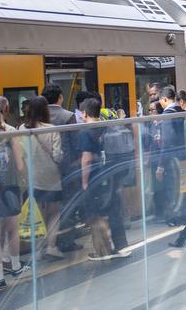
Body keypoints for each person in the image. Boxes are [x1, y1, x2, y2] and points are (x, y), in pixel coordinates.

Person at [79, 98, 130, 261]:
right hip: (110, 175)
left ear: (85, 113)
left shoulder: (85, 131)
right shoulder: (106, 126)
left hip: (95, 179)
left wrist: (84, 181)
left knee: (95, 215)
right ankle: (122, 247)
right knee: (114, 211)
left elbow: (86, 158)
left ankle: (103, 251)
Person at [19, 96, 65, 260]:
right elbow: (58, 156)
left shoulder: (21, 129)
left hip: (32, 177)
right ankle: (51, 247)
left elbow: (21, 156)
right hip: (51, 176)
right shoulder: (51, 129)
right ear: (45, 110)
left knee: (38, 214)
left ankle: (38, 250)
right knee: (54, 213)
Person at [0, 100, 26, 289]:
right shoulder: (9, 131)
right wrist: (27, 181)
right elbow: (20, 164)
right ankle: (16, 266)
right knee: (12, 228)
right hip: (10, 185)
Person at [41, 84, 82, 252]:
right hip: (67, 168)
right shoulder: (68, 116)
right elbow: (75, 143)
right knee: (67, 204)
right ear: (60, 97)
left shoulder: (39, 117)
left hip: (44, 170)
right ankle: (66, 241)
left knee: (47, 207)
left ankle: (48, 242)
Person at [157, 86, 186, 226]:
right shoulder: (182, 111)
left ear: (165, 99)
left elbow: (166, 142)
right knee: (184, 190)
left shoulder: (167, 115)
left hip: (172, 160)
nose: (160, 104)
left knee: (173, 189)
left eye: (160, 101)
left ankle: (175, 218)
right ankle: (185, 219)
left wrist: (161, 166)